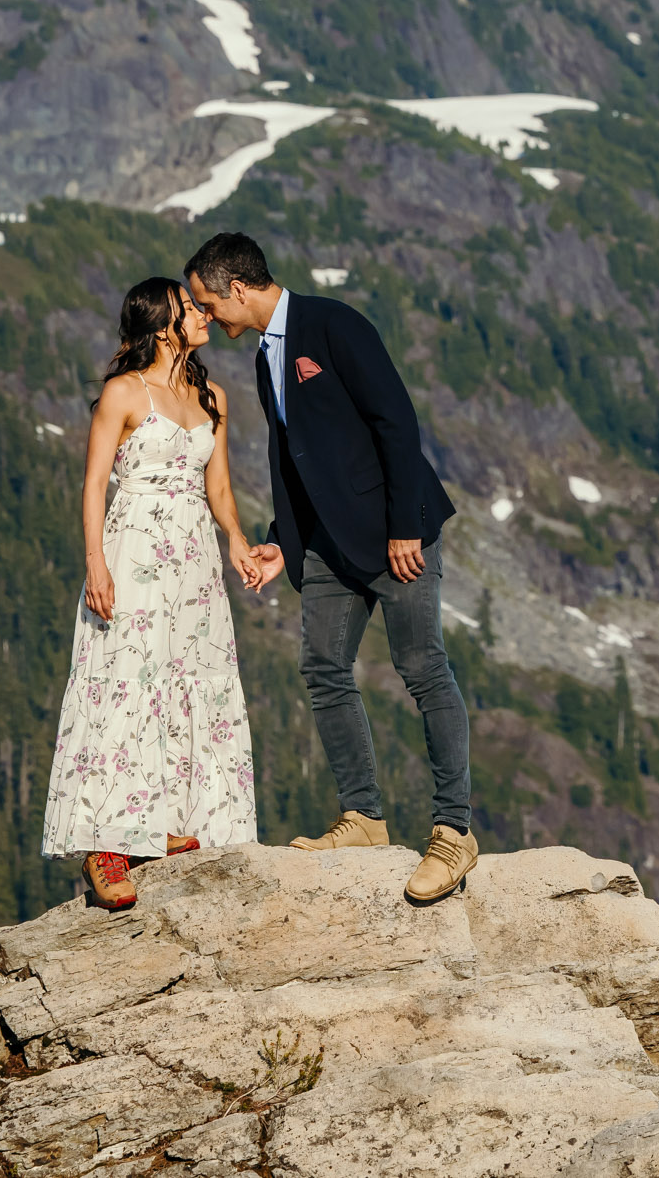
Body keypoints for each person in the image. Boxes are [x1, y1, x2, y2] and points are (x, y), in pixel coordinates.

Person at [182, 232, 476, 904]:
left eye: (207, 301)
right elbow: (296, 462)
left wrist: (405, 525)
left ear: (238, 288)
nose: (207, 317)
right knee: (322, 666)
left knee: (423, 667)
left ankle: (454, 830)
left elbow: (396, 423)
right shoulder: (264, 358)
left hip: (394, 533)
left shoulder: (334, 324)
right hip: (326, 546)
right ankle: (365, 817)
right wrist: (282, 541)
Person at [41, 276, 269, 909]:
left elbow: (219, 488)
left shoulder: (212, 395)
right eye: (190, 307)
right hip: (135, 547)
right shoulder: (122, 393)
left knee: (190, 677)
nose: (202, 314)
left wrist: (237, 540)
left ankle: (161, 821)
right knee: (128, 679)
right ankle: (107, 843)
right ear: (164, 323)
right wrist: (96, 566)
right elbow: (93, 487)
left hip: (193, 557)